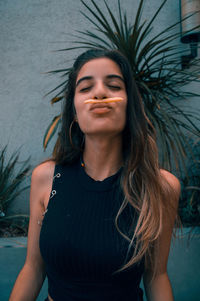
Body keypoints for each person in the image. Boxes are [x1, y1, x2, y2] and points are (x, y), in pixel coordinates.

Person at [9, 49, 181, 301]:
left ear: (128, 104)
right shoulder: (46, 178)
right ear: (75, 111)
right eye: (86, 88)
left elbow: (156, 276)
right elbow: (33, 269)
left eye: (113, 85)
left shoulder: (161, 186)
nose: (100, 93)